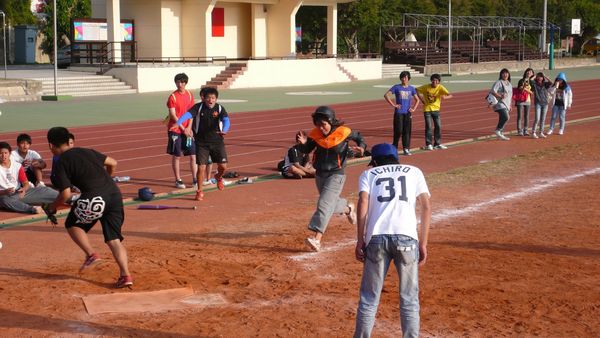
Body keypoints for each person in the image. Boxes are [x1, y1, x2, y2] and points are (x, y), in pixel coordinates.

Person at [353, 143, 431, 338]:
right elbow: (426, 207)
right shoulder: (414, 171)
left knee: (369, 298)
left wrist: (360, 239)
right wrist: (423, 242)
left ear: (376, 161)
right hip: (407, 238)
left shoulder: (368, 175)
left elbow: (363, 202)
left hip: (377, 238)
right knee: (409, 297)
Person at [46, 127, 133, 288]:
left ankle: (91, 254)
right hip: (114, 195)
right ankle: (125, 275)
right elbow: (113, 163)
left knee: (72, 224)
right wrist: (108, 177)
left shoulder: (61, 162)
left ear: (51, 145)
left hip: (94, 197)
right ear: (68, 140)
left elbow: (65, 194)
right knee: (113, 239)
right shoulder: (87, 151)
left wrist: (52, 207)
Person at [296, 106, 367, 251]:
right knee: (329, 204)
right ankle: (348, 208)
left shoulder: (343, 132)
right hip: (320, 174)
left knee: (323, 204)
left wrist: (362, 147)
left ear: (331, 121)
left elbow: (359, 137)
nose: (321, 128)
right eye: (318, 124)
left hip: (336, 174)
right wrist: (302, 144)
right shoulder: (315, 135)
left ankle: (317, 238)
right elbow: (306, 150)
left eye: (324, 124)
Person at [181, 87, 230, 201]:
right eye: (208, 98)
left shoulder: (219, 108)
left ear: (216, 98)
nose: (211, 100)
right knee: (201, 167)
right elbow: (187, 115)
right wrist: (179, 123)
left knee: (223, 166)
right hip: (201, 143)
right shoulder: (198, 107)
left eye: (213, 98)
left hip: (217, 141)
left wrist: (225, 130)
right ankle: (199, 191)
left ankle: (218, 176)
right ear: (204, 98)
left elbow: (226, 120)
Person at [0, 142, 58, 214]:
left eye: (5, 153)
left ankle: (71, 199)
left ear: (10, 153)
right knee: (4, 200)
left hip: (18, 193)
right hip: (3, 195)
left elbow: (25, 183)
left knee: (44, 190)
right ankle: (32, 209)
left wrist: (23, 189)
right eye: (1, 153)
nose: (3, 156)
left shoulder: (17, 166)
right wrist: (4, 192)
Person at [166, 73, 198, 189]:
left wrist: (189, 127)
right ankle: (178, 180)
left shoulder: (189, 95)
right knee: (177, 155)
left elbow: (191, 113)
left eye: (182, 82)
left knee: (193, 155)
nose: (180, 84)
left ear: (185, 83)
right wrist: (183, 129)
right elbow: (173, 115)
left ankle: (195, 179)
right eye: (178, 82)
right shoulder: (172, 97)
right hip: (175, 130)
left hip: (187, 130)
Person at [384, 71, 420, 156]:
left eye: (406, 78)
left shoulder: (411, 88)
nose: (404, 79)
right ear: (400, 78)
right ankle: (394, 147)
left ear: (409, 79)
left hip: (407, 113)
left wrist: (414, 108)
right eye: (403, 77)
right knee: (398, 130)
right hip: (399, 112)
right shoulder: (397, 87)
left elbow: (417, 99)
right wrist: (394, 104)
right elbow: (386, 95)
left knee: (407, 131)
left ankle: (406, 149)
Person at [416, 74, 453, 150]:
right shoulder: (426, 87)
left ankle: (437, 143)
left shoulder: (440, 87)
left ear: (439, 82)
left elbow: (450, 95)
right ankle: (429, 144)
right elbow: (416, 90)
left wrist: (444, 97)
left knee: (438, 126)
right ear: (431, 80)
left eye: (436, 80)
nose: (434, 82)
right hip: (427, 110)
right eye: (433, 80)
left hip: (436, 110)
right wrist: (421, 99)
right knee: (429, 127)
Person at [489, 68, 513, 141]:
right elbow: (492, 91)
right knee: (506, 117)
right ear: (501, 74)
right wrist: (500, 96)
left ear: (508, 74)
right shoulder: (499, 82)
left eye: (506, 73)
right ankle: (498, 130)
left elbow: (510, 95)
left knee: (502, 118)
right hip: (500, 103)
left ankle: (500, 134)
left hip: (507, 104)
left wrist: (510, 104)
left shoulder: (509, 83)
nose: (505, 74)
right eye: (503, 73)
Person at [531, 72, 554, 139]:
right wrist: (535, 76)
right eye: (539, 76)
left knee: (543, 119)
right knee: (537, 118)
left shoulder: (545, 84)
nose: (540, 78)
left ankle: (541, 132)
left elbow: (552, 83)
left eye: (541, 77)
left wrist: (545, 76)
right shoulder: (534, 84)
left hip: (545, 103)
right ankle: (533, 132)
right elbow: (530, 80)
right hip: (538, 103)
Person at [514, 68, 535, 136]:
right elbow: (520, 90)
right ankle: (519, 131)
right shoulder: (521, 80)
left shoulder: (532, 82)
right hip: (520, 100)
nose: (529, 73)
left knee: (527, 116)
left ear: (532, 74)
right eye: (528, 71)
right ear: (526, 72)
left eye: (531, 72)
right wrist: (524, 87)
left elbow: (532, 93)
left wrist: (525, 88)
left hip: (528, 100)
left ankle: (525, 130)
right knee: (519, 116)